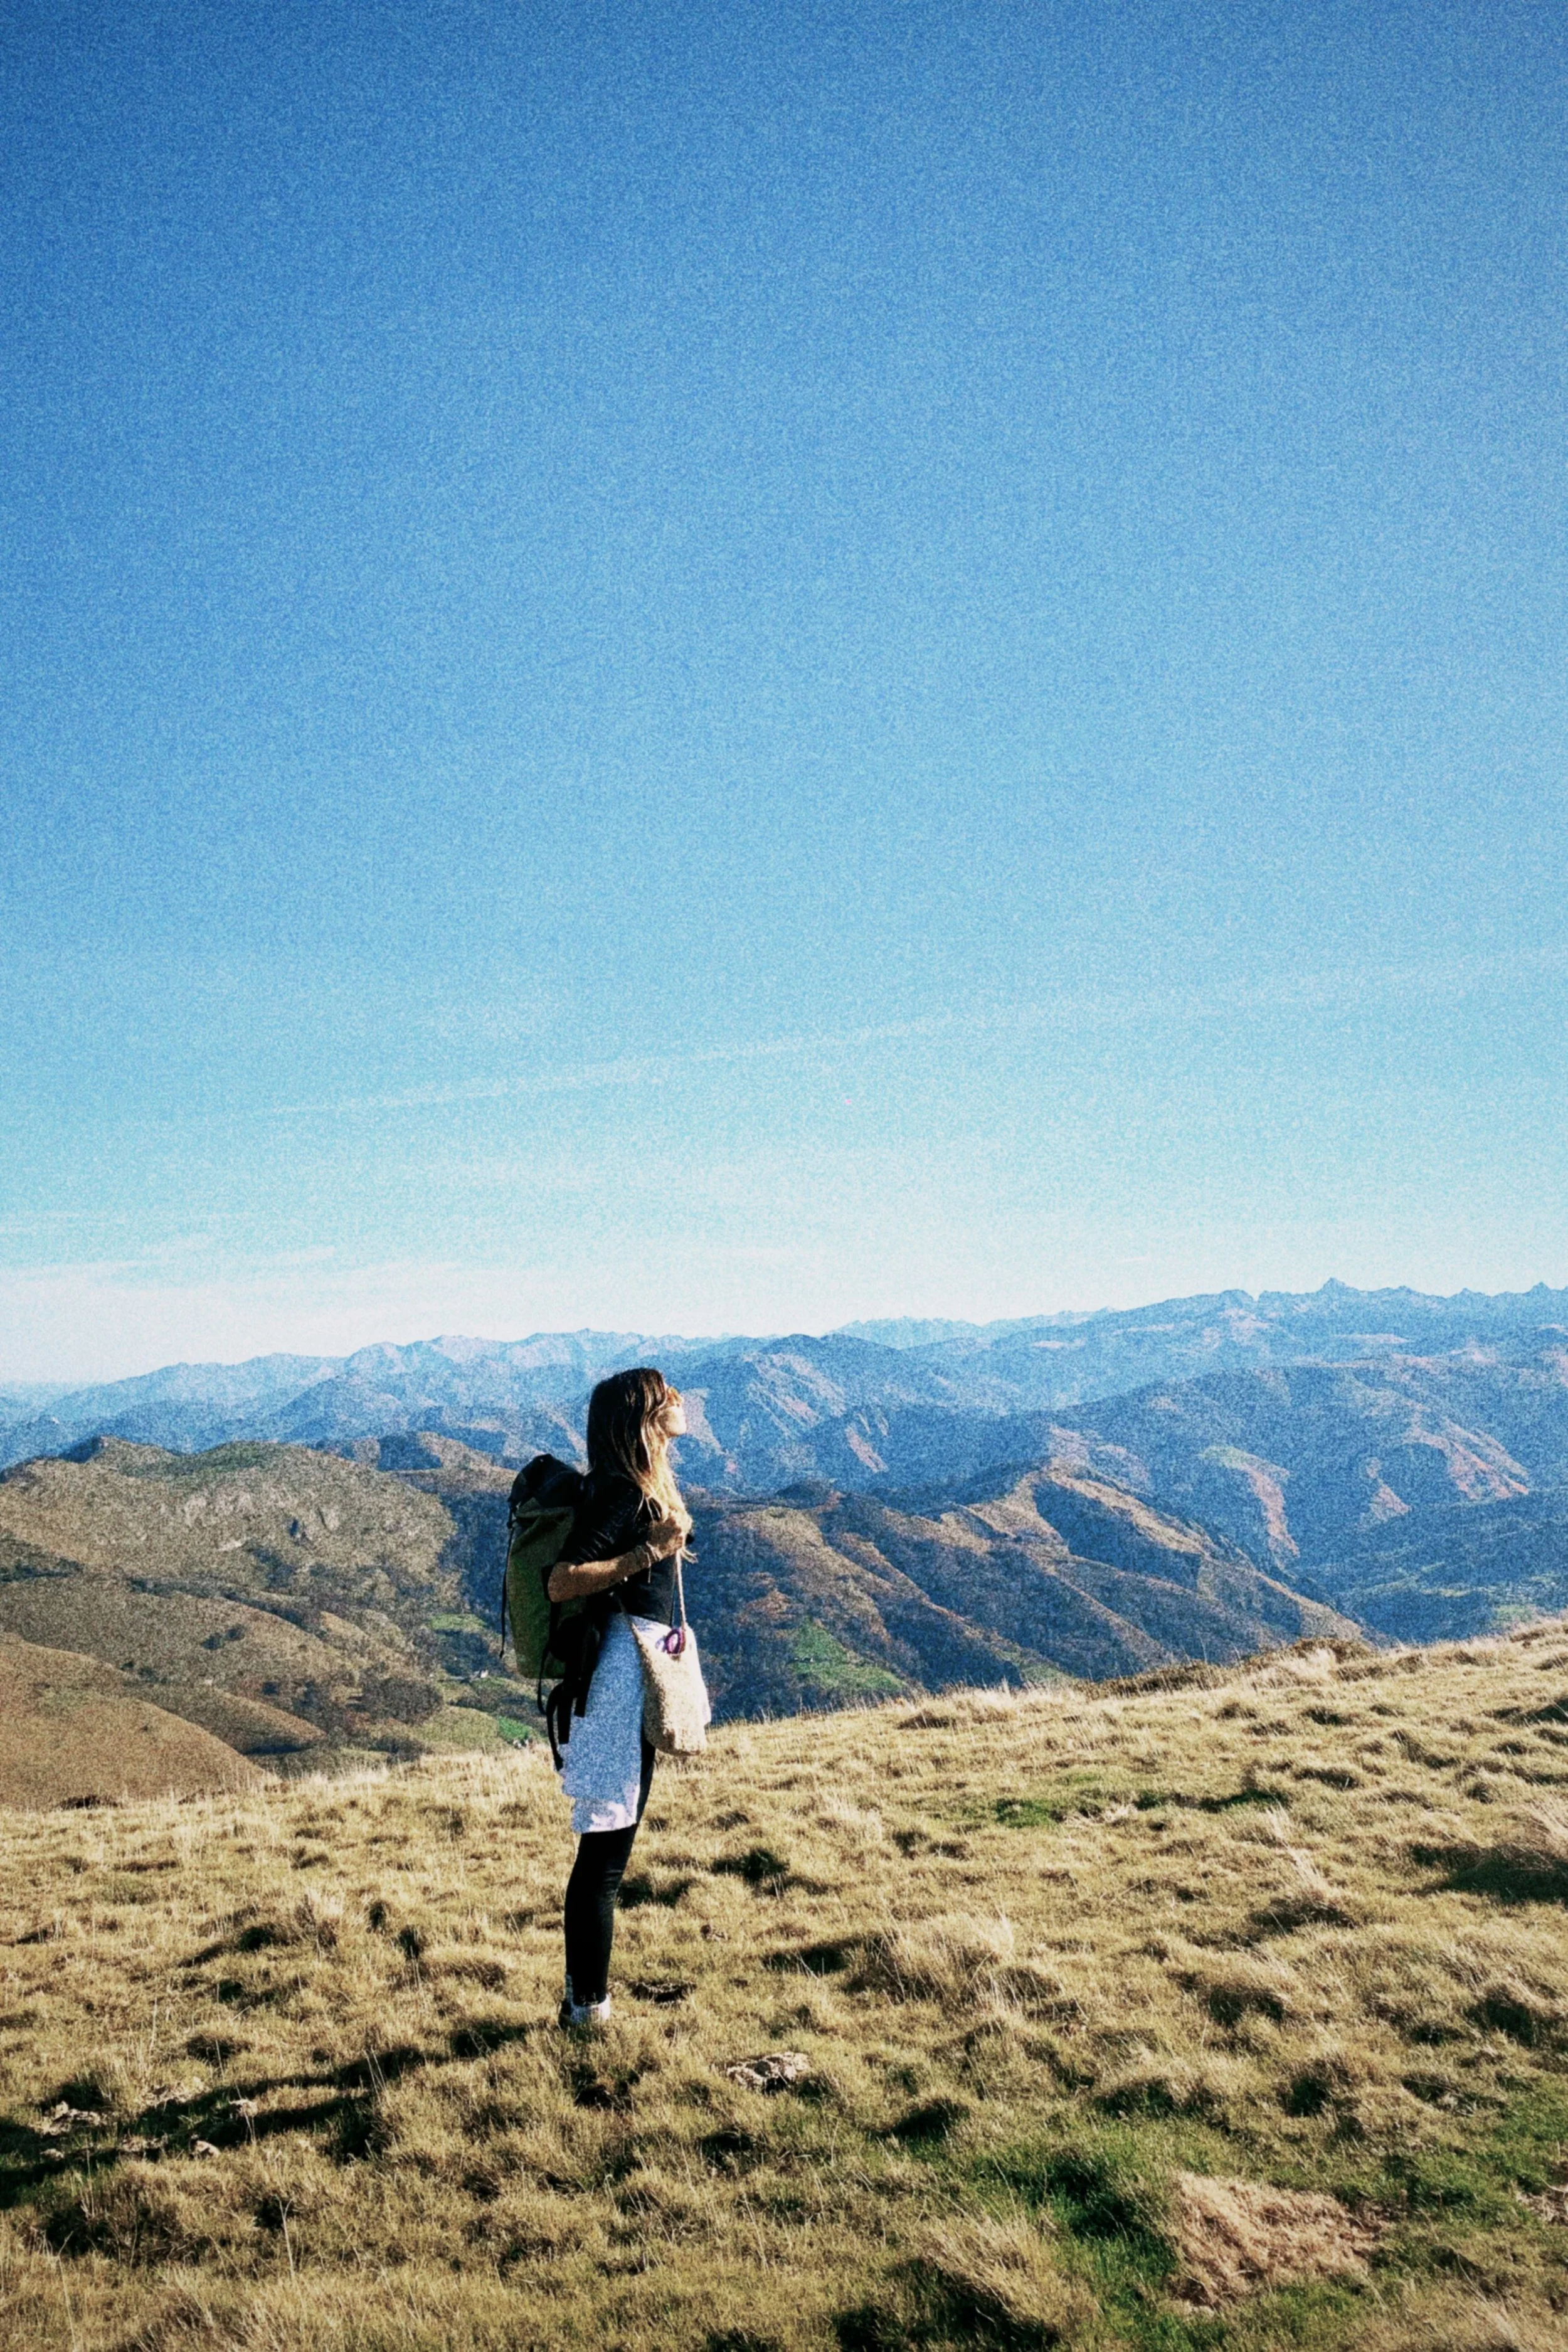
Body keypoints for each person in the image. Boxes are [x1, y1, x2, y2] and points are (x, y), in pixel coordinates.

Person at [548, 1366, 692, 2029]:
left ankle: (586, 2001)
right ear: (641, 1418)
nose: (679, 1403)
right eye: (666, 1399)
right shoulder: (622, 1495)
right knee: (604, 1854)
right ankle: (588, 2010)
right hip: (617, 1680)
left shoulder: (635, 1488)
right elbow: (562, 1581)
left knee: (609, 1849)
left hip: (625, 1675)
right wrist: (647, 1552)